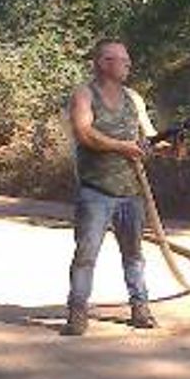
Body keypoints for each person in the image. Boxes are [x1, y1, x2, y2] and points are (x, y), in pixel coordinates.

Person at [64, 38, 171, 336]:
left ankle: (140, 308)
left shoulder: (133, 98)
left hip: (131, 191)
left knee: (133, 253)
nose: (128, 64)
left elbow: (148, 136)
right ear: (103, 63)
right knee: (86, 254)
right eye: (121, 59)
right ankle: (77, 312)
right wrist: (123, 147)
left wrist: (169, 147)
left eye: (127, 59)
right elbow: (84, 133)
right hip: (95, 191)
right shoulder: (84, 96)